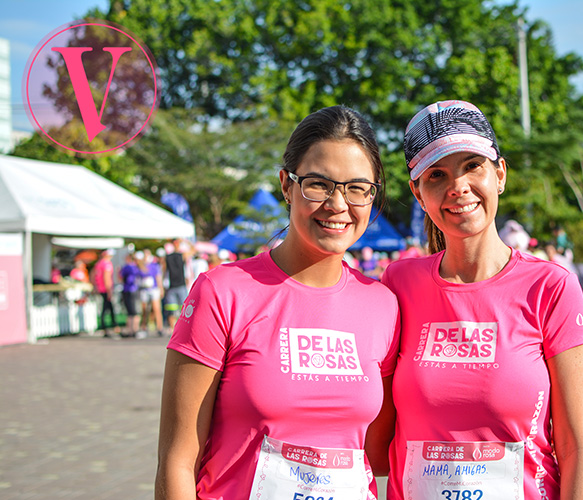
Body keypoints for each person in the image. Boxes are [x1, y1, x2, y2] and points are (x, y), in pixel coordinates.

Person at [155, 105, 400, 500]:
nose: (338, 205)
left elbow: (378, 455)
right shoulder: (223, 292)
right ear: (287, 185)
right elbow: (177, 460)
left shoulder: (383, 305)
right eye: (319, 184)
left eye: (357, 188)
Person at [382, 100, 583, 500]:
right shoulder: (398, 283)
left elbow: (576, 446)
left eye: (472, 166)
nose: (457, 186)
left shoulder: (551, 287)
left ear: (499, 174)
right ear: (417, 192)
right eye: (437, 175)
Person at [163, 239, 189, 332]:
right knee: (180, 310)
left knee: (178, 309)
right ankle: (175, 329)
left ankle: (175, 329)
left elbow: (164, 271)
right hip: (177, 285)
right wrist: (185, 242)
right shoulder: (180, 256)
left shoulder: (169, 257)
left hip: (175, 285)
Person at [138, 249, 165, 336]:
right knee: (144, 309)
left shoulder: (154, 266)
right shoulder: (141, 265)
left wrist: (161, 289)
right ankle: (143, 326)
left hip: (154, 289)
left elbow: (158, 277)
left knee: (156, 308)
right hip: (144, 289)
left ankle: (160, 327)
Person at [92, 249, 118, 336]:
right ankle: (107, 327)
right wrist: (109, 290)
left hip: (100, 288)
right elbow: (107, 278)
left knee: (107, 307)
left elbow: (93, 275)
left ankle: (111, 326)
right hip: (105, 289)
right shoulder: (107, 264)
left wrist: (95, 286)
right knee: (106, 308)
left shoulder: (99, 263)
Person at [119, 252, 143, 338]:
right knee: (134, 311)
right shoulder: (136, 267)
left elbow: (120, 277)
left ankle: (132, 330)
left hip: (129, 290)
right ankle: (134, 330)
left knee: (131, 312)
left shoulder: (127, 267)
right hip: (134, 290)